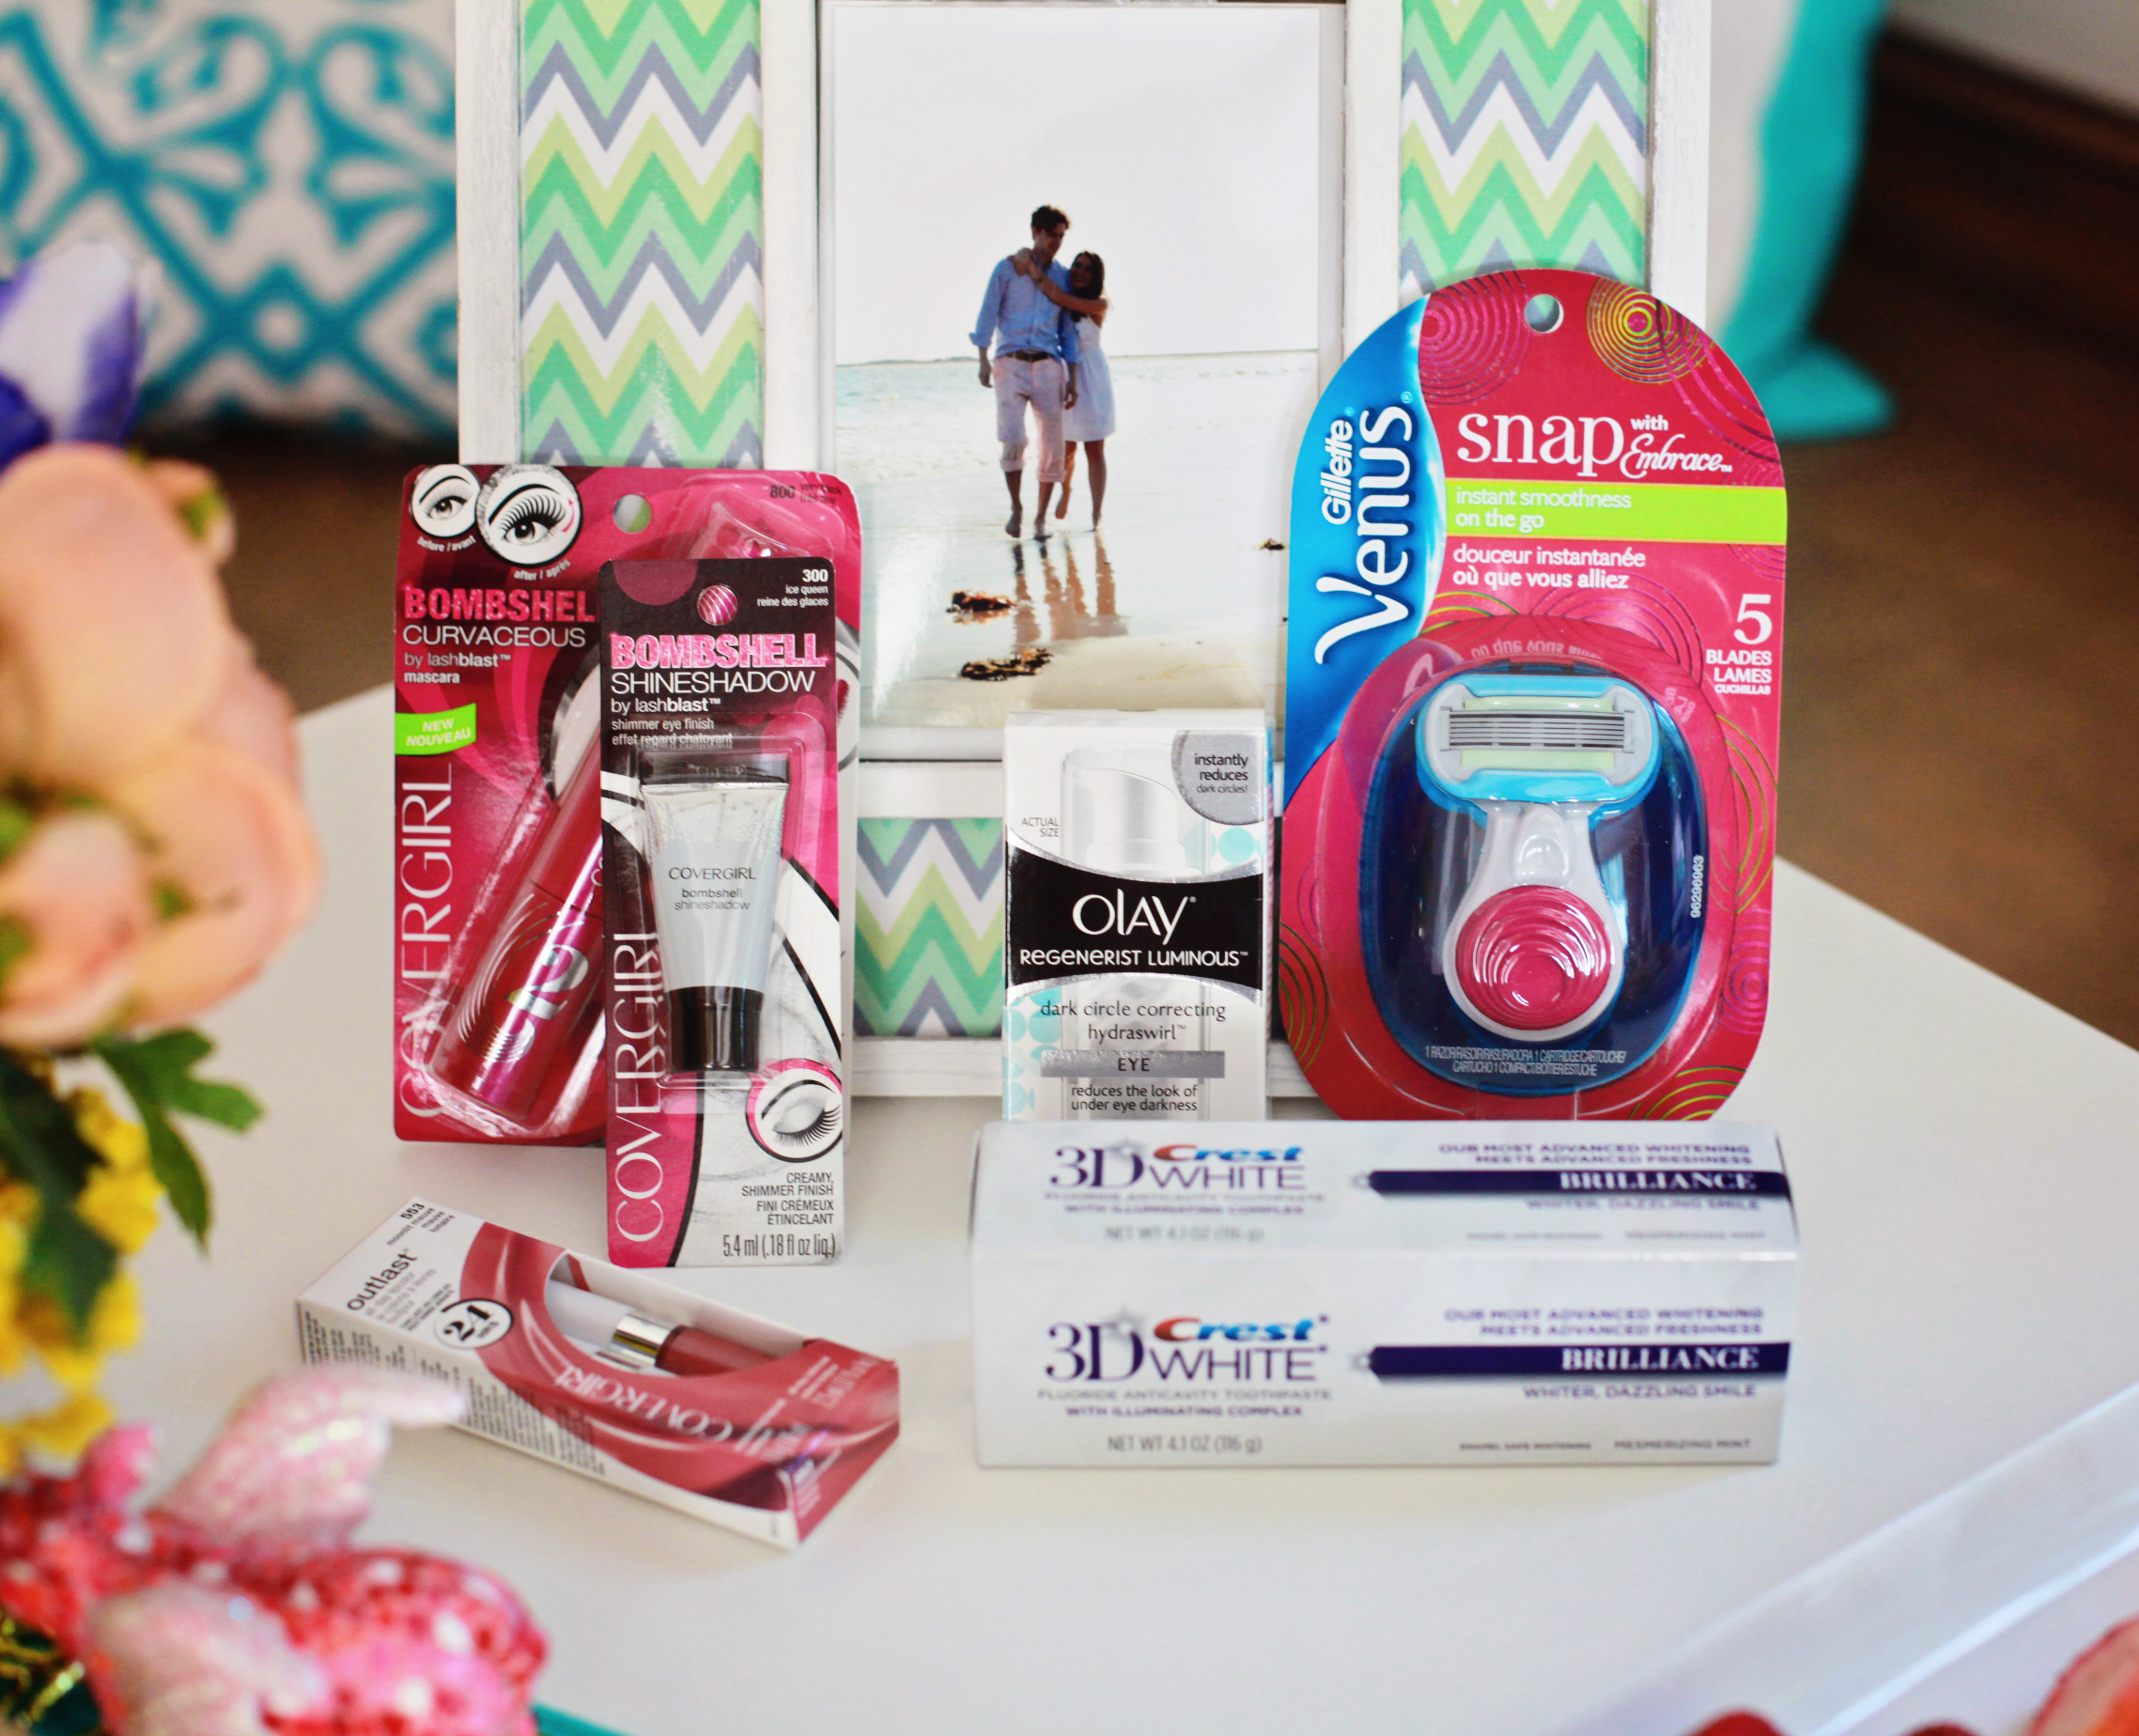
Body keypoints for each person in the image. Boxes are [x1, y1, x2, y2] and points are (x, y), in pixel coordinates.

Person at [971, 205, 1082, 539]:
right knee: (1013, 439)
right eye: (1051, 235)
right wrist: (982, 358)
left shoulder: (1062, 277)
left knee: (1052, 446)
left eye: (1061, 236)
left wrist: (1073, 376)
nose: (1056, 242)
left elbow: (1067, 330)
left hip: (1049, 366)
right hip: (1010, 362)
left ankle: (1040, 519)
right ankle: (1016, 507)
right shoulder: (1008, 269)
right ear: (1035, 232)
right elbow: (988, 311)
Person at [1014, 249, 1111, 525]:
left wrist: (1033, 269)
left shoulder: (1098, 304)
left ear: (1095, 276)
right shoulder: (1060, 302)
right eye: (1077, 265)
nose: (1080, 271)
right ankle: (1065, 492)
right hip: (1066, 373)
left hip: (1093, 378)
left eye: (1087, 269)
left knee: (1095, 448)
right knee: (1065, 446)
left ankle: (1096, 512)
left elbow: (1058, 296)